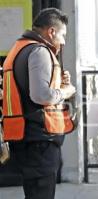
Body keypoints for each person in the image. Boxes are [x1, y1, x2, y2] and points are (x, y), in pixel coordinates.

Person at [2, 8, 76, 199]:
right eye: (63, 35)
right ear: (51, 32)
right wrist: (66, 91)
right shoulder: (39, 51)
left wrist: (58, 83)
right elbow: (41, 96)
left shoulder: (19, 48)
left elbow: (27, 91)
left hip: (26, 137)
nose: (64, 41)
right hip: (40, 141)